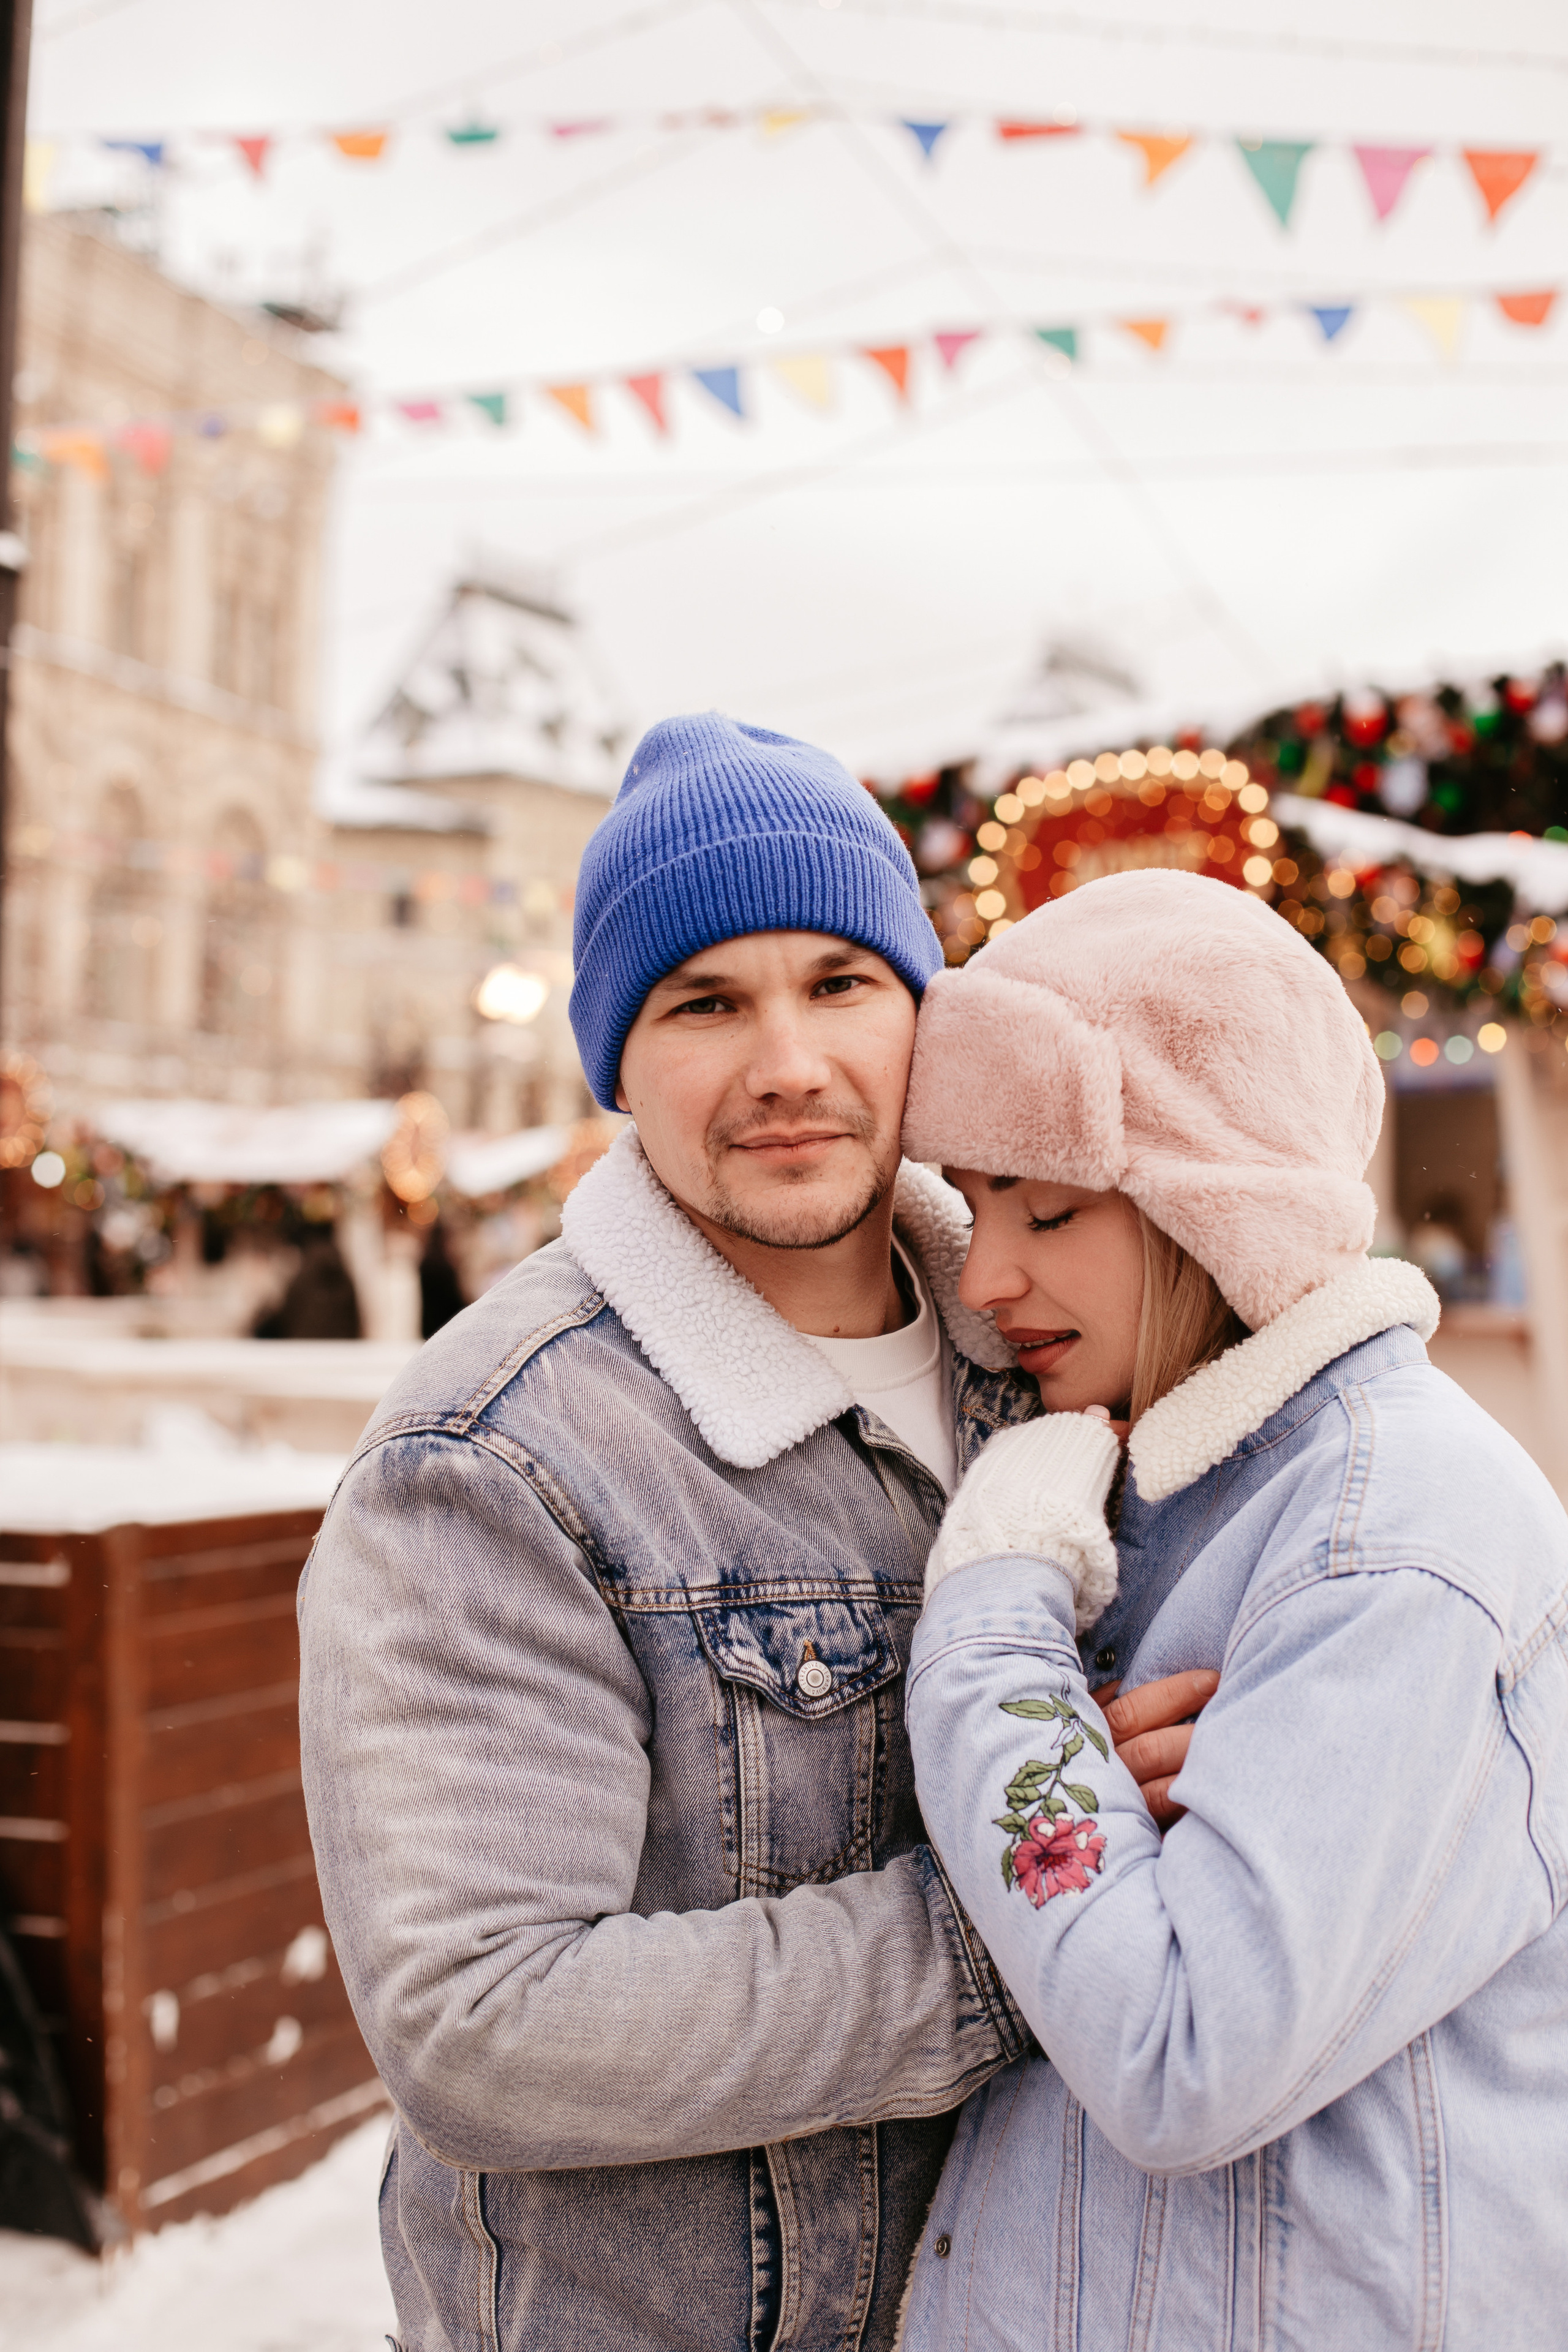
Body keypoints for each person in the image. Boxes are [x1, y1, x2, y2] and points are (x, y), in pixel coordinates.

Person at [298, 717, 1208, 2351]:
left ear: (922, 1015)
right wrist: (1043, 1922)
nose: (787, 1059)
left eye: (840, 983)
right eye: (705, 1003)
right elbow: (483, 2025)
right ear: (617, 1062)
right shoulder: (497, 1461)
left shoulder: (1061, 1365)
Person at [895, 869, 1568, 2350]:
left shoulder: (1390, 1533)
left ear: (1213, 1207)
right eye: (976, 1205)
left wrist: (994, 1627)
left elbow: (1176, 2046)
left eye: (1050, 1208)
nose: (989, 1275)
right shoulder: (1150, 1481)